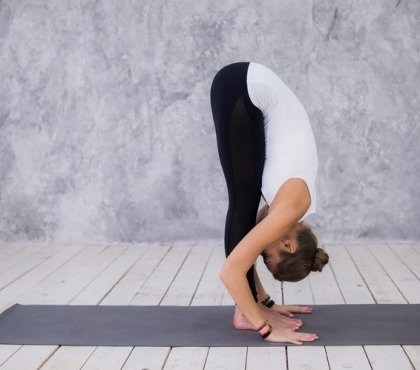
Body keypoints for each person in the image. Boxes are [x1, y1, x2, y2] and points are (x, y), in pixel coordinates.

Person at [210, 61, 329, 344]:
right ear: (289, 245)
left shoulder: (294, 207)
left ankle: (246, 309)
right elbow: (231, 272)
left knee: (244, 206)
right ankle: (243, 313)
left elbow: (246, 243)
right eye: (268, 256)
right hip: (240, 86)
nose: (259, 252)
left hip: (245, 84)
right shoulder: (288, 209)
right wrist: (264, 326)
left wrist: (264, 302)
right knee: (241, 204)